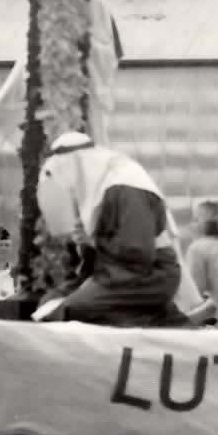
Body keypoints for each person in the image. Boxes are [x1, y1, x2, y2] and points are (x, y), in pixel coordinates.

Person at [35, 131, 201, 326]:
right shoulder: (100, 186)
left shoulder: (126, 186)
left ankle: (157, 320)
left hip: (148, 276)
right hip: (116, 274)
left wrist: (93, 241)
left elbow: (136, 252)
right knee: (50, 302)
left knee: (72, 309)